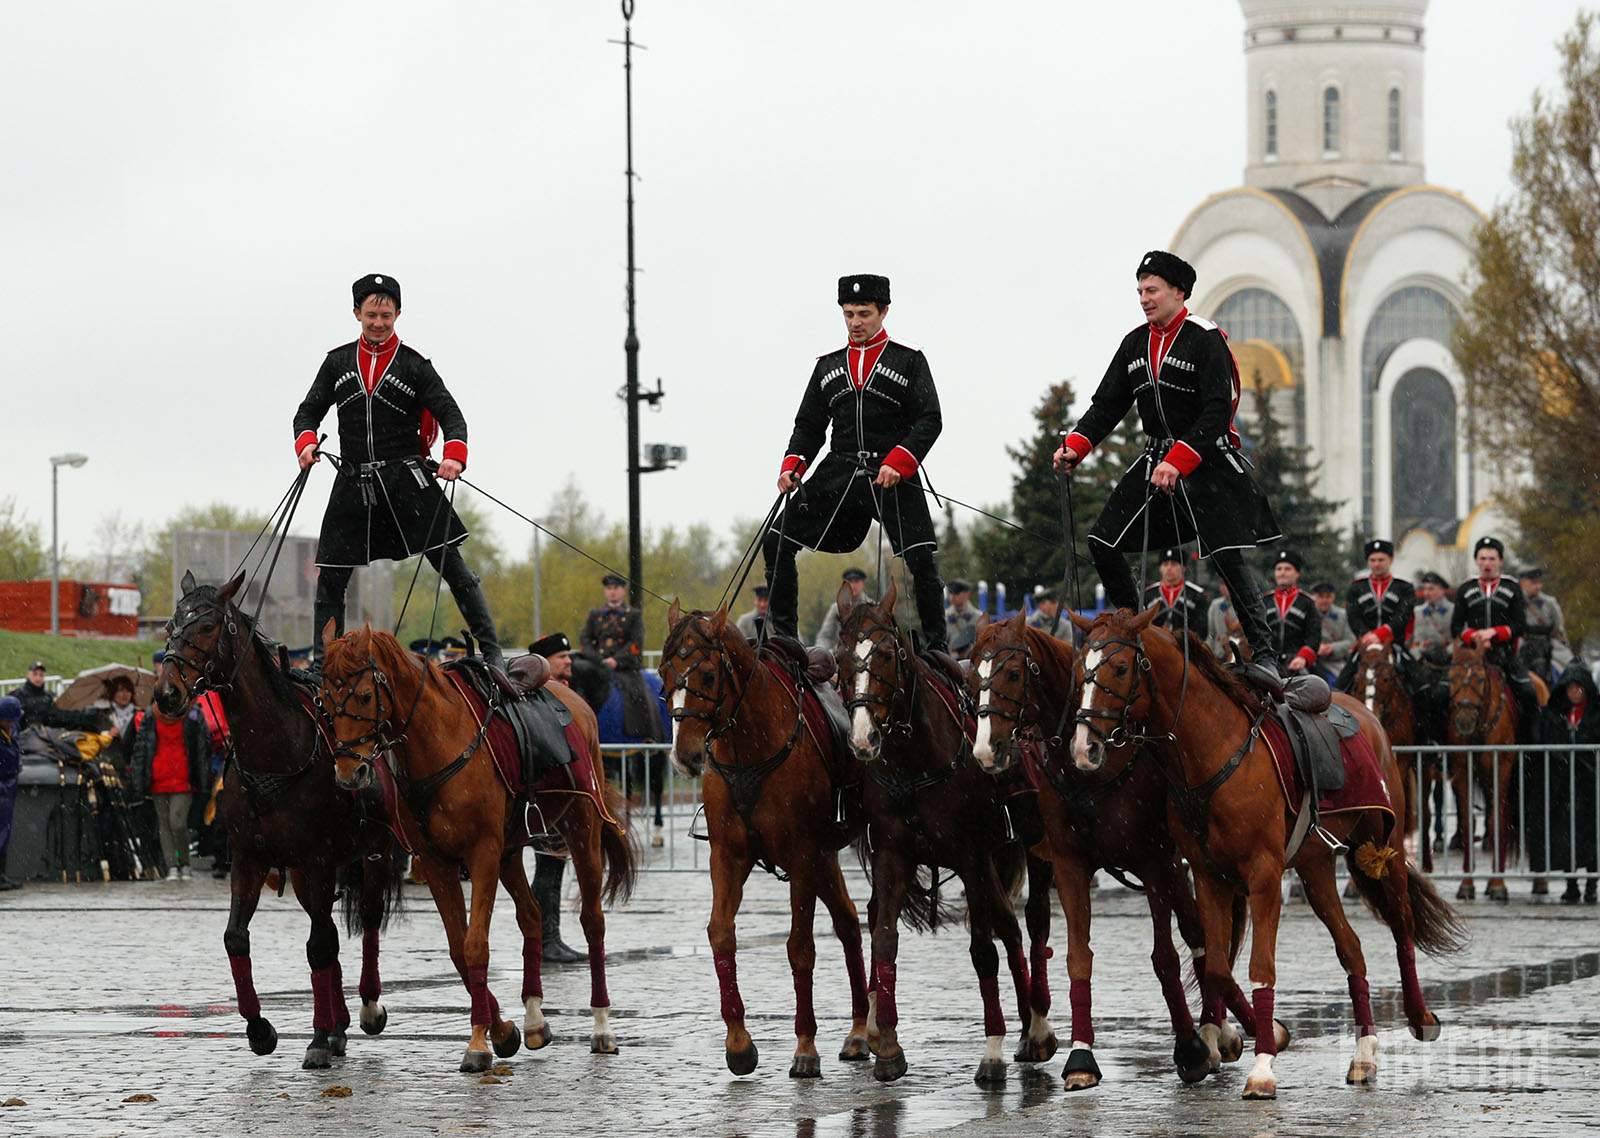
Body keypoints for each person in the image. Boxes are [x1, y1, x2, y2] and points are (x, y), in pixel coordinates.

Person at [1053, 251, 1281, 671]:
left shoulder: (1205, 337)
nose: (1143, 298)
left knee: (1226, 554)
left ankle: (1265, 655)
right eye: (1139, 290)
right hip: (1155, 459)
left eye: (1152, 289)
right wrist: (1078, 445)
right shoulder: (1135, 343)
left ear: (1178, 292)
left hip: (1207, 460)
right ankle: (1138, 635)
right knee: (1102, 541)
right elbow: (1107, 404)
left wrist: (1179, 459)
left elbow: (1220, 406)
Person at [293, 273, 502, 668]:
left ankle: (493, 654)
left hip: (407, 479)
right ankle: (325, 664)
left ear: (398, 314)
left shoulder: (415, 365)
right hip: (352, 484)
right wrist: (306, 445)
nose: (378, 323)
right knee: (331, 578)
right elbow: (307, 413)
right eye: (371, 314)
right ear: (357, 313)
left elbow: (451, 415)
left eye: (386, 315)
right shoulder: (336, 362)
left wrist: (454, 455)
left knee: (451, 564)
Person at [761, 274, 949, 654]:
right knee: (775, 538)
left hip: (892, 474)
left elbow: (930, 419)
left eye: (864, 313)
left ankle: (938, 649)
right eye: (848, 314)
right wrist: (793, 465)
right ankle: (784, 640)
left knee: (921, 561)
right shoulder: (826, 366)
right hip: (838, 471)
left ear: (884, 311)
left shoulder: (909, 361)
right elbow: (809, 425)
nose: (855, 322)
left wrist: (901, 461)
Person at [524, 631, 588, 964]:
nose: (568, 661)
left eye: (568, 656)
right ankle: (544, 940)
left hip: (560, 798)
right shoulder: (539, 698)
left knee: (554, 868)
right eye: (561, 657)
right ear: (543, 663)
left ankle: (553, 937)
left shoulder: (562, 694)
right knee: (547, 869)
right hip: (545, 796)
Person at [1450, 537, 1539, 745]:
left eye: (1492, 558)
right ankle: (1438, 745)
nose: (1487, 563)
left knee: (1527, 692)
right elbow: (1456, 626)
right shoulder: (1465, 589)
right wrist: (1473, 636)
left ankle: (1528, 744)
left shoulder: (1512, 588)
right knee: (1440, 691)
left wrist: (1494, 633)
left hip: (1504, 655)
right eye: (1482, 558)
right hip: (1471, 657)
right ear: (1476, 561)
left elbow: (1520, 625)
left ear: (1500, 561)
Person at [1529, 662, 1598, 904]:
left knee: (1591, 837)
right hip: (1563, 788)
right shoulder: (1555, 715)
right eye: (1571, 688)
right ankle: (1571, 884)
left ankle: (1592, 883)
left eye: (1579, 688)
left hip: (1589, 788)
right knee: (1566, 837)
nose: (1574, 692)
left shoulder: (1595, 714)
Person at [130, 699, 211, 880]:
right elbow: (141, 748)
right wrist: (139, 779)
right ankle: (172, 865)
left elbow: (203, 747)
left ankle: (184, 862)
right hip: (159, 778)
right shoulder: (151, 715)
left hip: (183, 779)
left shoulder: (193, 715)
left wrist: (202, 779)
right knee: (164, 825)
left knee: (178, 823)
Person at [1261, 550, 1321, 672]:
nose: (1282, 573)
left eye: (1287, 569)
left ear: (1297, 574)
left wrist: (1303, 657)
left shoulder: (1307, 602)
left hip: (1297, 663)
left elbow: (1314, 636)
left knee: (1317, 688)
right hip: (1269, 663)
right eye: (1279, 569)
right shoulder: (1264, 601)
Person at [1519, 568, 1573, 682]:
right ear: (1523, 583)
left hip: (1548, 642)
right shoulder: (1516, 602)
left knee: (1570, 669)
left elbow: (1558, 628)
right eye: (1533, 583)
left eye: (1539, 582)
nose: (1538, 586)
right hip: (1523, 643)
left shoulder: (1550, 603)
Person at [1142, 547, 1209, 638]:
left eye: (1173, 564)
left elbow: (1202, 630)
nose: (1169, 568)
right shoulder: (1148, 594)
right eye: (1165, 564)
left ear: (1183, 568)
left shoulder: (1196, 594)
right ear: (1160, 568)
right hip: (1155, 646)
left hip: (1186, 647)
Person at [813, 568, 874, 652]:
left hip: (866, 654)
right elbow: (825, 636)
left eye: (856, 581)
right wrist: (822, 653)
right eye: (850, 582)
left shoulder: (871, 607)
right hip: (841, 654)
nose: (853, 585)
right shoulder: (836, 608)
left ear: (863, 583)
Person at [1311, 582, 1355, 685]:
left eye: (1328, 597)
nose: (1324, 600)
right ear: (1315, 597)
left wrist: (1332, 648)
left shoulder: (1343, 615)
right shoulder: (1308, 614)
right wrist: (1316, 647)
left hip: (1336, 663)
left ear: (1333, 597)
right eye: (1321, 597)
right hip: (1312, 662)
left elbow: (1351, 640)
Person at [0, 696, 22, 890]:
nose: (10, 724)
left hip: (9, 785)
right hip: (2, 784)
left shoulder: (13, 730)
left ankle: (2, 874)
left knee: (5, 832)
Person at [944, 580, 988, 660]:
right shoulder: (945, 616)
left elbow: (984, 644)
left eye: (956, 593)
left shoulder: (979, 617)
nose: (952, 596)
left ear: (967, 594)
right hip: (949, 662)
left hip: (972, 661)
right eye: (950, 593)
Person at [1206, 581, 1241, 661]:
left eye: (1227, 584)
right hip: (1218, 653)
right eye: (1222, 584)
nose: (1224, 587)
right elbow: (1211, 633)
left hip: (1238, 654)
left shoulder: (1243, 604)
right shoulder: (1215, 604)